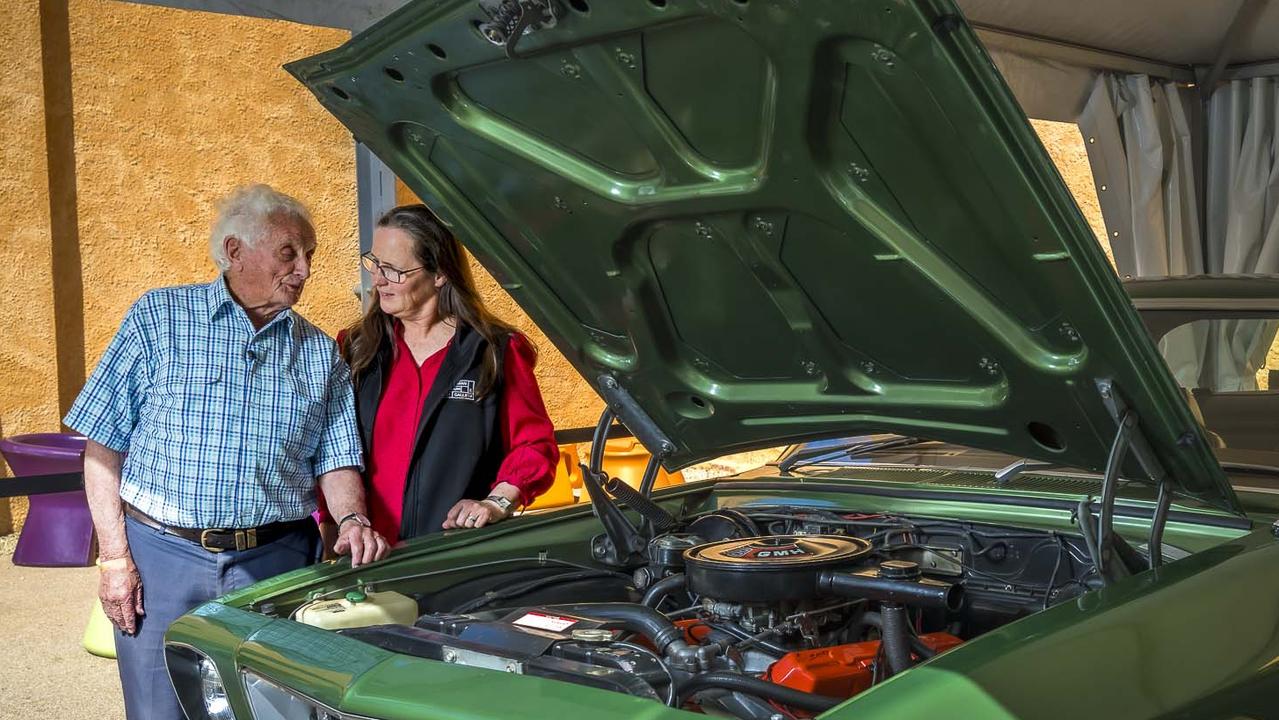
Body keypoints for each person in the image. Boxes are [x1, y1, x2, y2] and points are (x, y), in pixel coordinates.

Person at [64, 184, 390, 720]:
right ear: (235, 251)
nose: (305, 269)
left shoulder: (318, 352)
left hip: (276, 560)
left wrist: (352, 518)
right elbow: (102, 447)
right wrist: (115, 558)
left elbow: (336, 457)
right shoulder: (159, 317)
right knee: (157, 709)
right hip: (162, 558)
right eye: (290, 253)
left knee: (270, 709)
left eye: (310, 255)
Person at [319, 203, 556, 544]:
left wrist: (497, 501)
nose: (378, 279)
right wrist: (332, 527)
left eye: (394, 270)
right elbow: (331, 448)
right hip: (366, 555)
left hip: (452, 555)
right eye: (375, 263)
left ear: (439, 273)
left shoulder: (494, 352)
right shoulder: (355, 348)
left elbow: (534, 445)